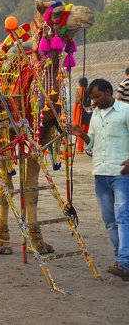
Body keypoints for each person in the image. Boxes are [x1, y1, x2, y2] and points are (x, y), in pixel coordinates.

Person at [70, 78, 129, 281]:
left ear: (107, 92)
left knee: (122, 218)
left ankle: (124, 262)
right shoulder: (95, 115)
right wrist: (82, 135)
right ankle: (121, 261)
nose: (94, 102)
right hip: (100, 174)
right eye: (92, 98)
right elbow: (91, 146)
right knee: (109, 221)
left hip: (121, 174)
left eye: (96, 97)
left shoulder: (125, 111)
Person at [72, 77, 92, 153]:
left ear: (80, 83)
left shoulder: (79, 90)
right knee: (88, 131)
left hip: (81, 113)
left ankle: (80, 148)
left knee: (81, 131)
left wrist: (83, 107)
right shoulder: (89, 91)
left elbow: (78, 101)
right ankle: (88, 147)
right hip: (89, 113)